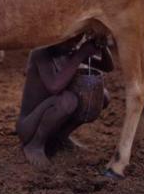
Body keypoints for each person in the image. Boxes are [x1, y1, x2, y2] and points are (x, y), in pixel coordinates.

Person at [16, 33, 114, 168]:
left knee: (102, 96)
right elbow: (54, 87)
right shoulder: (41, 53)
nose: (73, 44)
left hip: (52, 120)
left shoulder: (69, 52)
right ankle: (35, 145)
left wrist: (102, 46)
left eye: (77, 39)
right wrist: (79, 56)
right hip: (29, 127)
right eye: (70, 40)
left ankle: (61, 137)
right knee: (68, 100)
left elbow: (108, 67)